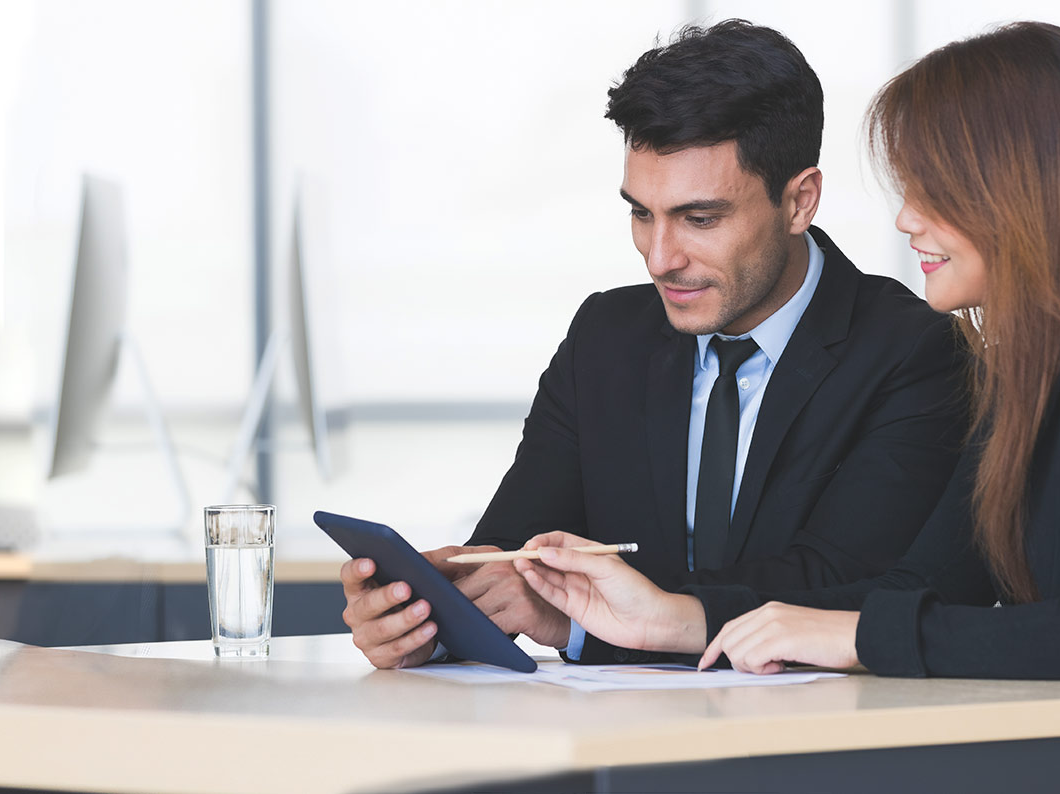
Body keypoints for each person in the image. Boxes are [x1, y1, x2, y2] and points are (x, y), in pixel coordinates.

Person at [513, 21, 1060, 789]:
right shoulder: (1030, 364)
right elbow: (916, 586)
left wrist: (860, 636)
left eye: (934, 194)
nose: (906, 221)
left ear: (1025, 190)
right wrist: (675, 621)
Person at [341, 19, 971, 669]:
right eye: (642, 213)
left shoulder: (913, 349)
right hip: (616, 741)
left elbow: (839, 583)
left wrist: (588, 621)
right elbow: (514, 551)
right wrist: (428, 615)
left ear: (799, 200)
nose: (661, 258)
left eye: (699, 218)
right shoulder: (606, 337)